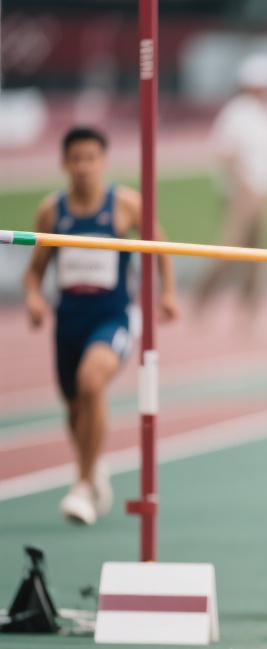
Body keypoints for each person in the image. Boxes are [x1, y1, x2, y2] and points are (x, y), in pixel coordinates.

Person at [23, 126, 179, 525]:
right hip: (69, 322)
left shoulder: (124, 204)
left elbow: (160, 247)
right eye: (76, 159)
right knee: (75, 408)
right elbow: (35, 271)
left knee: (93, 383)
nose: (83, 167)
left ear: (102, 162)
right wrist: (35, 298)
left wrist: (167, 293)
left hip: (113, 318)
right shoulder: (52, 211)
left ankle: (83, 481)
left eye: (90, 158)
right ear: (64, 163)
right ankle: (94, 469)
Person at [193, 54, 267, 327]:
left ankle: (250, 314)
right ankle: (201, 301)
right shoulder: (237, 112)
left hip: (265, 193)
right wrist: (246, 188)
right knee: (229, 253)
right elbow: (227, 154)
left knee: (261, 257)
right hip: (242, 196)